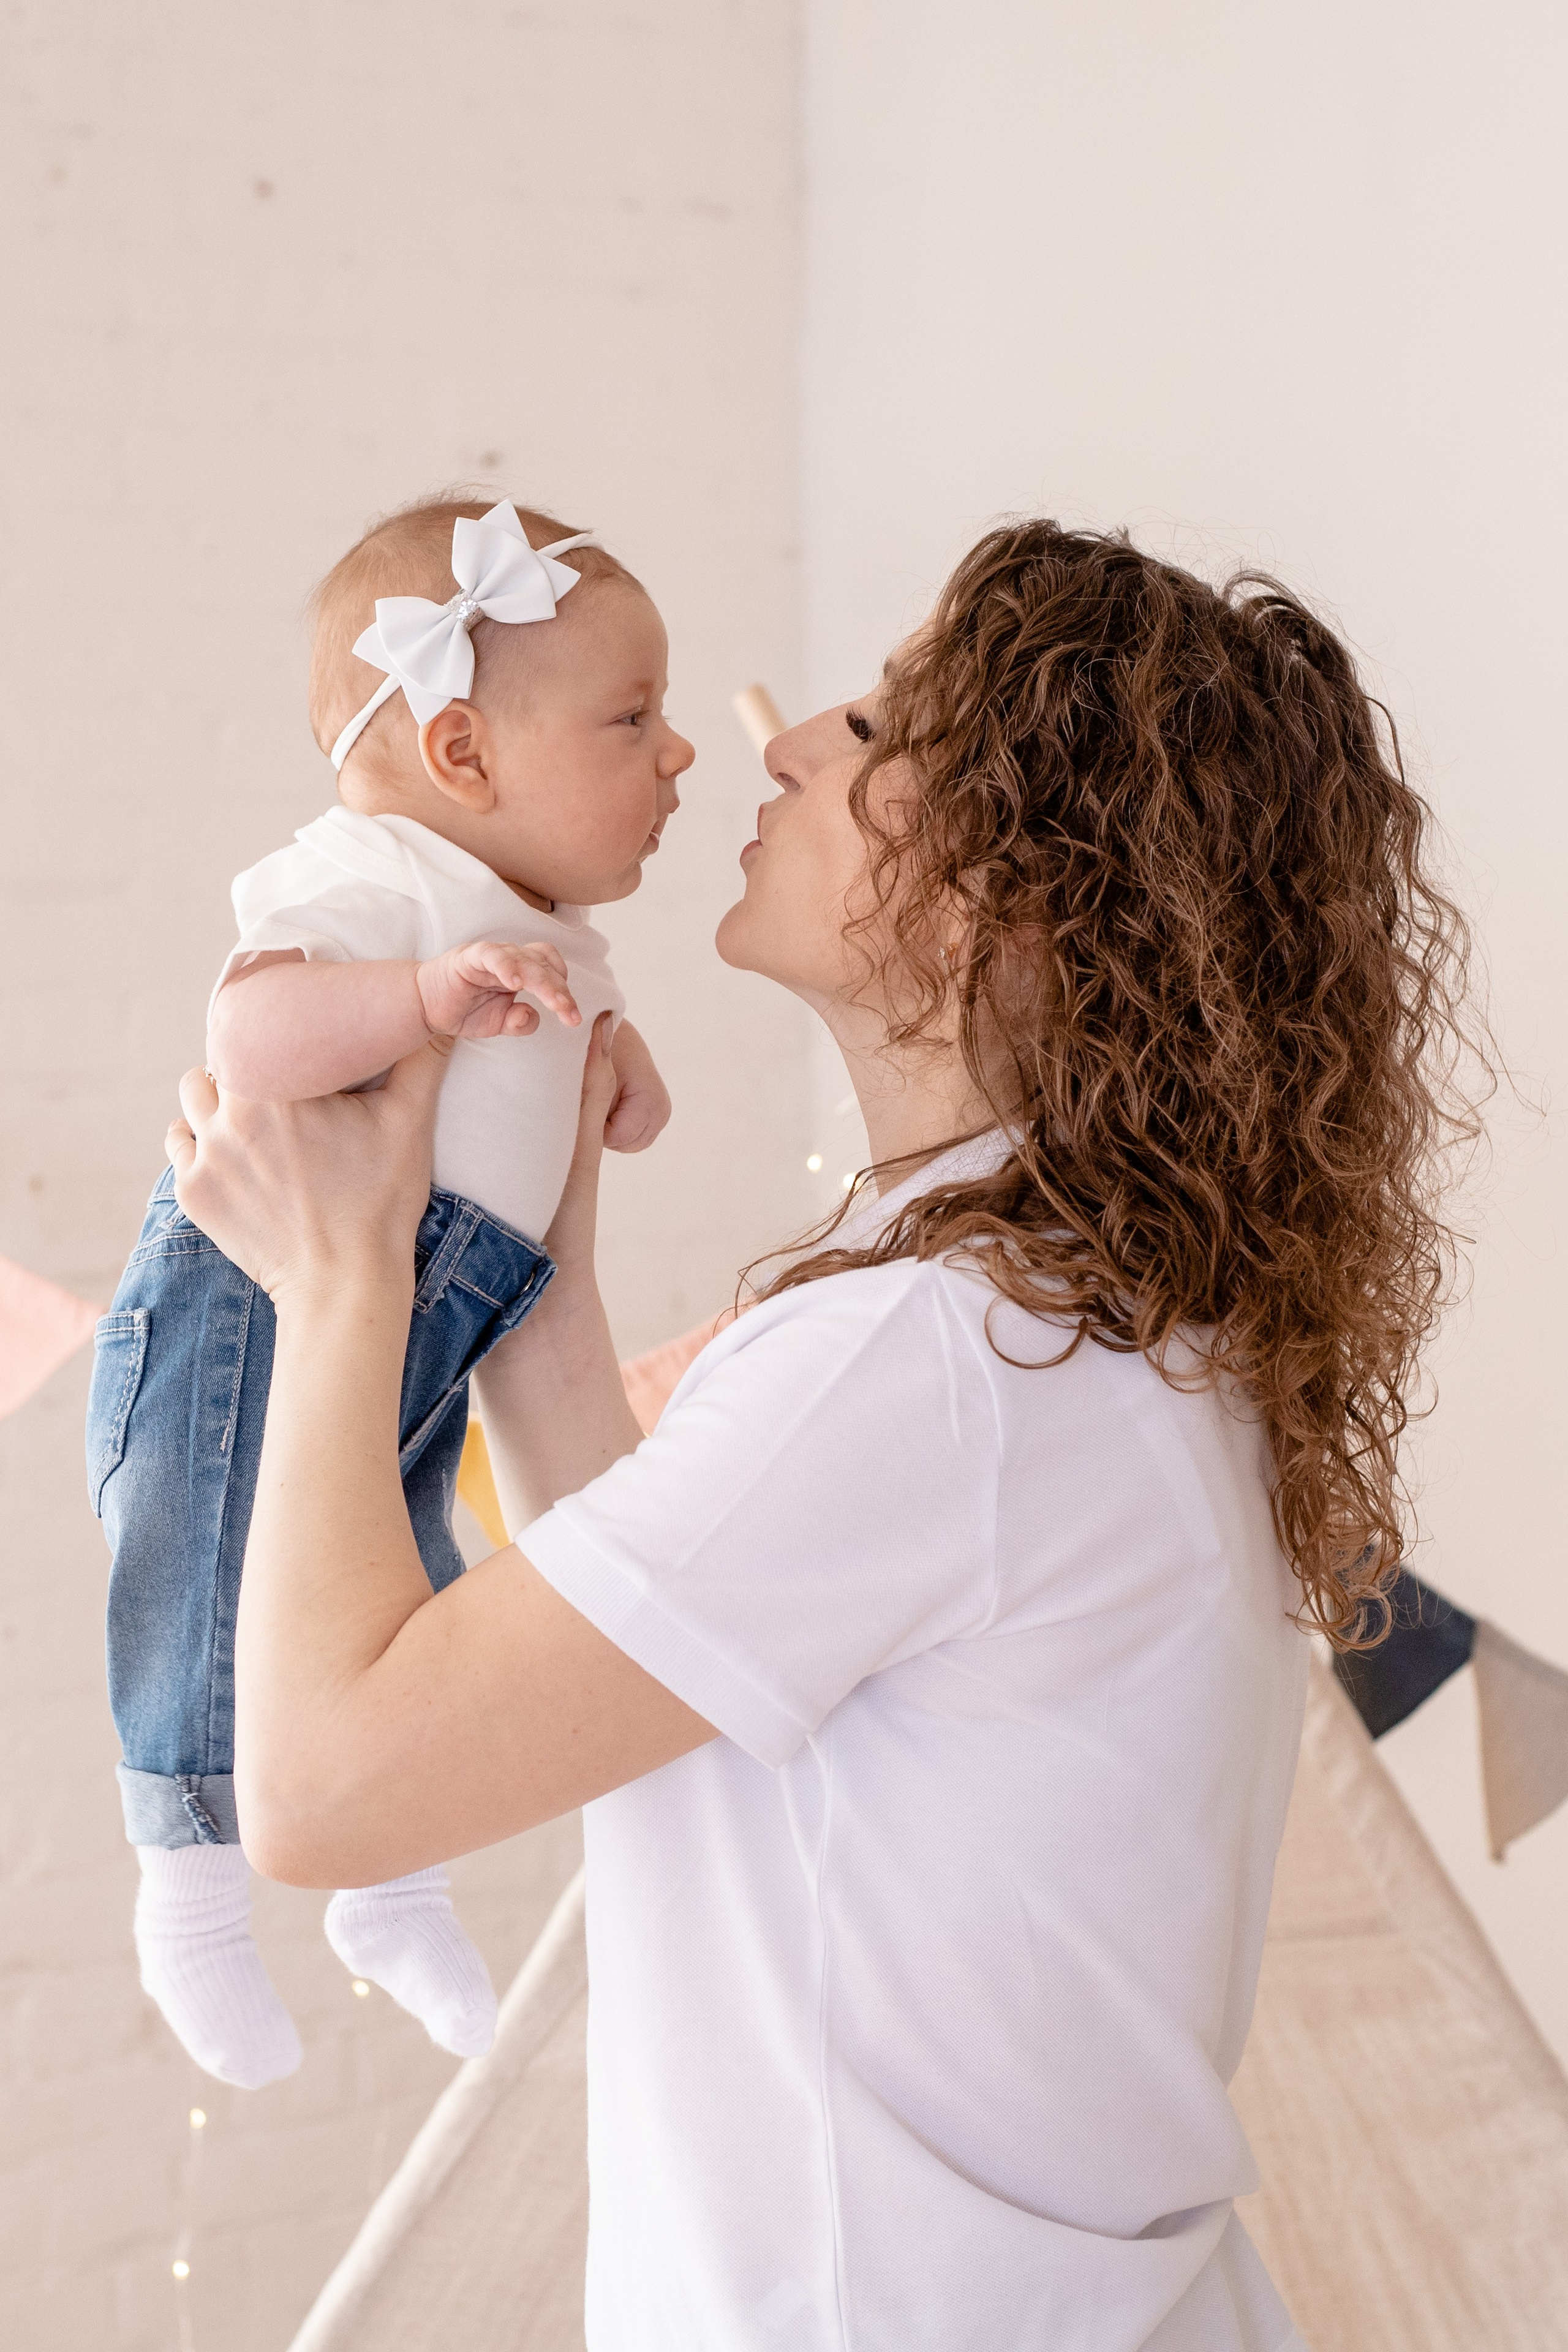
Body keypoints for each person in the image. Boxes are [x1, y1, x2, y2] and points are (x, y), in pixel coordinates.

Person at [166, 521, 1479, 2350]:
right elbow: (665, 1673)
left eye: (871, 728)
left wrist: (338, 1284)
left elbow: (325, 1794)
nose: (778, 744)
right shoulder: (1070, 1314)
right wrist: (538, 1261)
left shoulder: (938, 1357)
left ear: (1030, 886)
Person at [85, 496, 691, 2086]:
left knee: (400, 1589)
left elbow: (555, 1079)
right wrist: (421, 996)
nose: (681, 753)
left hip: (437, 1304)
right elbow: (251, 1039)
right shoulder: (383, 877)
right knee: (205, 1561)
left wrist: (614, 1083)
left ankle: (392, 1884)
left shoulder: (552, 924)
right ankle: (190, 1882)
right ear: (461, 753)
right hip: (250, 1299)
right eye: (633, 718)